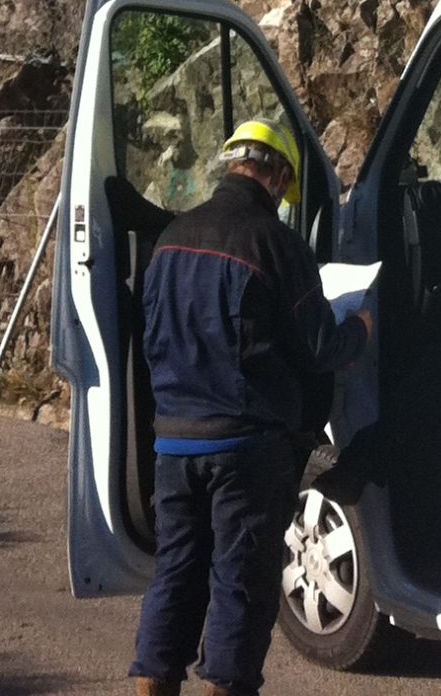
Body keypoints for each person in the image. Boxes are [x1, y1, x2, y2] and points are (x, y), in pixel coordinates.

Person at [131, 117, 370, 696]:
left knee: (176, 574)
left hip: (173, 442)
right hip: (246, 447)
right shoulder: (276, 244)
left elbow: (150, 335)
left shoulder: (170, 238)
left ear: (232, 164)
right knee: (240, 583)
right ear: (280, 176)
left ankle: (148, 686)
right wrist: (360, 328)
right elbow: (317, 346)